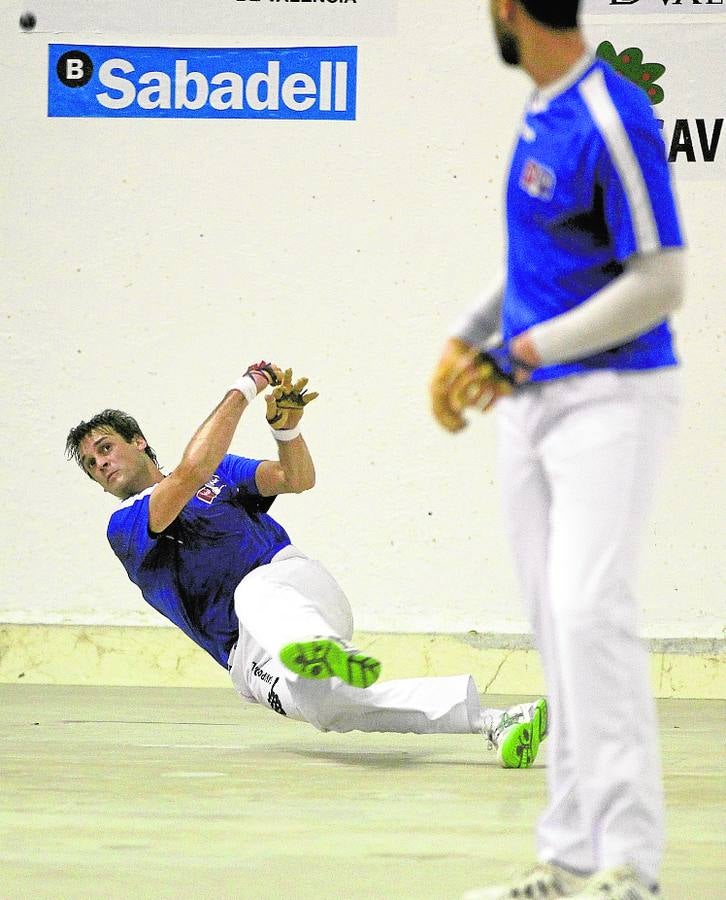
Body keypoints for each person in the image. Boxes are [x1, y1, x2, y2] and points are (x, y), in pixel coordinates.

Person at [430, 1, 684, 897]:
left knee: (589, 615)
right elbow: (542, 261)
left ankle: (630, 864)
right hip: (528, 408)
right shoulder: (541, 109)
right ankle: (568, 858)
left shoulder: (615, 115)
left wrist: (520, 351)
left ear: (509, 7)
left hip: (613, 399)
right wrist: (469, 337)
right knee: (552, 624)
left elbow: (660, 280)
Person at [66, 362, 548, 768]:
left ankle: (314, 645)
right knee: (330, 708)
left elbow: (297, 479)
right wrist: (248, 386)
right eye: (91, 464)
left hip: (293, 587)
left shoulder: (222, 471)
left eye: (105, 448)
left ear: (138, 441)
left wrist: (286, 431)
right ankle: (498, 721)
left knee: (252, 593)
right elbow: (190, 474)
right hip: (246, 654)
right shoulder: (124, 525)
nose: (101, 464)